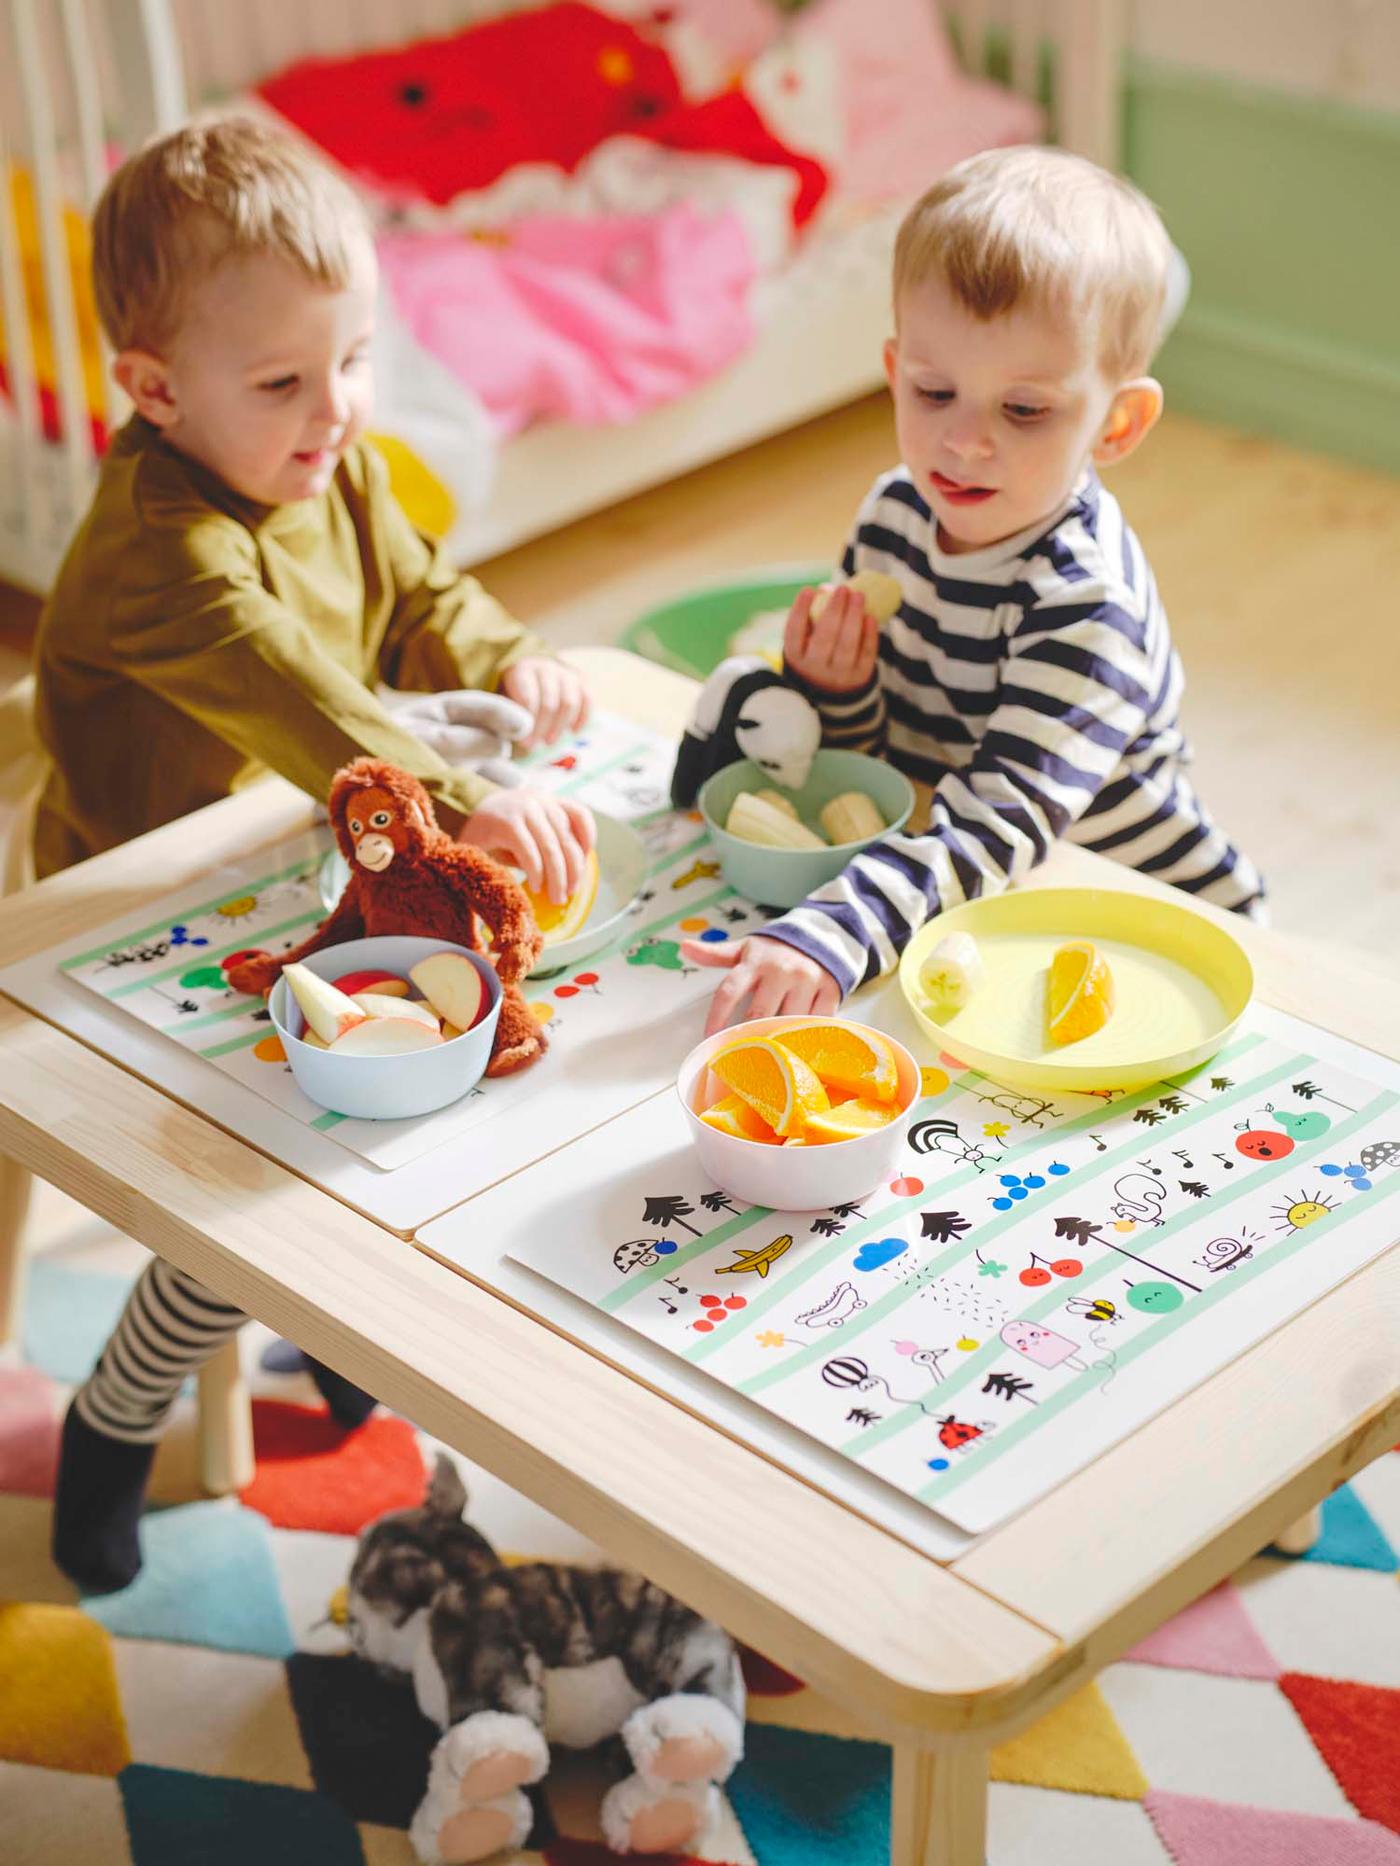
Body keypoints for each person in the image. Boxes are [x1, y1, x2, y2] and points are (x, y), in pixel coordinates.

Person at [42, 114, 591, 1592]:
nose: (337, 408)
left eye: (354, 360)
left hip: (300, 862)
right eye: (286, 379)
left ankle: (330, 1326)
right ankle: (115, 1417)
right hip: (136, 913)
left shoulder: (322, 458)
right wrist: (449, 797)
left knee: (449, 1075)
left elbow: (419, 595)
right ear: (154, 392)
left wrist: (507, 655)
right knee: (271, 1170)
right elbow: (304, 691)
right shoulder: (164, 547)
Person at [683, 146, 1263, 1033]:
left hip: (1124, 910)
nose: (964, 443)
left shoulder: (1085, 603)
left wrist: (834, 934)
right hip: (947, 878)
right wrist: (841, 691)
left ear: (1118, 423)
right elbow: (884, 760)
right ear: (894, 366)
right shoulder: (894, 514)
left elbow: (1002, 824)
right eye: (935, 390)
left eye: (1023, 410)